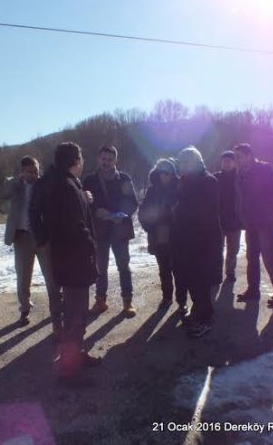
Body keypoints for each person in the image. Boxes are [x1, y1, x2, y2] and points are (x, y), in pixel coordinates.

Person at [47, 142, 101, 378]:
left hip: (68, 259)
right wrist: (90, 244)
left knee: (76, 313)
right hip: (74, 260)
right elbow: (75, 226)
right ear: (76, 161)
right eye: (81, 158)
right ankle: (69, 369)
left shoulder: (65, 184)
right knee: (75, 314)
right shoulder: (66, 188)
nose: (82, 162)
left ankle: (76, 354)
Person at [171, 146, 222, 338]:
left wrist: (179, 211)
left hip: (203, 241)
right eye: (181, 162)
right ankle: (197, 313)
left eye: (186, 162)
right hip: (185, 240)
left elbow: (206, 212)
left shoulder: (209, 181)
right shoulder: (184, 181)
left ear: (196, 162)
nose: (182, 166)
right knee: (191, 281)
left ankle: (205, 320)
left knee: (201, 282)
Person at [83, 144, 139, 317]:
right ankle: (101, 301)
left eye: (110, 159)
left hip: (120, 231)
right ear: (98, 159)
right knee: (100, 268)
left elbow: (133, 202)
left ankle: (127, 302)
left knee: (124, 266)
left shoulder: (124, 178)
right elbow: (84, 205)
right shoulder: (89, 180)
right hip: (99, 232)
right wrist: (96, 211)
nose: (106, 162)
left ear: (116, 160)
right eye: (104, 159)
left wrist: (120, 216)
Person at [1, 156, 57, 327]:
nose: (35, 174)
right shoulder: (13, 184)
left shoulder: (45, 184)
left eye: (36, 170)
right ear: (22, 171)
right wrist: (18, 181)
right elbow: (3, 195)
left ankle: (56, 306)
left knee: (51, 275)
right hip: (22, 236)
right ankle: (24, 309)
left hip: (42, 236)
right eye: (30, 171)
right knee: (23, 275)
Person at [234, 144, 273, 308]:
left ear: (249, 154)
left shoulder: (264, 168)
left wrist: (262, 207)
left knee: (269, 257)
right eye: (236, 156)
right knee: (251, 257)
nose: (237, 159)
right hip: (250, 222)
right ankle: (253, 290)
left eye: (240, 156)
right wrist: (242, 215)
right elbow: (239, 197)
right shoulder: (239, 174)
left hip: (265, 221)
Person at [138, 158, 187, 313]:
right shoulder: (152, 190)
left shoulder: (180, 189)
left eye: (167, 172)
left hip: (176, 235)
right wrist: (149, 227)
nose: (163, 176)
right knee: (163, 269)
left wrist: (174, 217)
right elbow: (143, 211)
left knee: (179, 270)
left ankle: (182, 301)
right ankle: (167, 297)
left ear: (173, 174)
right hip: (158, 235)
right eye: (160, 172)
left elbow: (186, 213)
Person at [28, 163, 63, 340]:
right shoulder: (44, 184)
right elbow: (33, 212)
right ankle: (58, 325)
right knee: (54, 285)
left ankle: (64, 323)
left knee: (62, 284)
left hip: (68, 242)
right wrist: (42, 239)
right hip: (50, 243)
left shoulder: (72, 181)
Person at [213, 151, 243, 285]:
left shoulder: (240, 177)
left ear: (234, 162)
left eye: (229, 161)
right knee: (217, 249)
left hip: (235, 220)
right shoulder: (215, 178)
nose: (226, 163)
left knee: (233, 250)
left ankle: (230, 273)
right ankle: (216, 274)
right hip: (218, 221)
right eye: (224, 161)